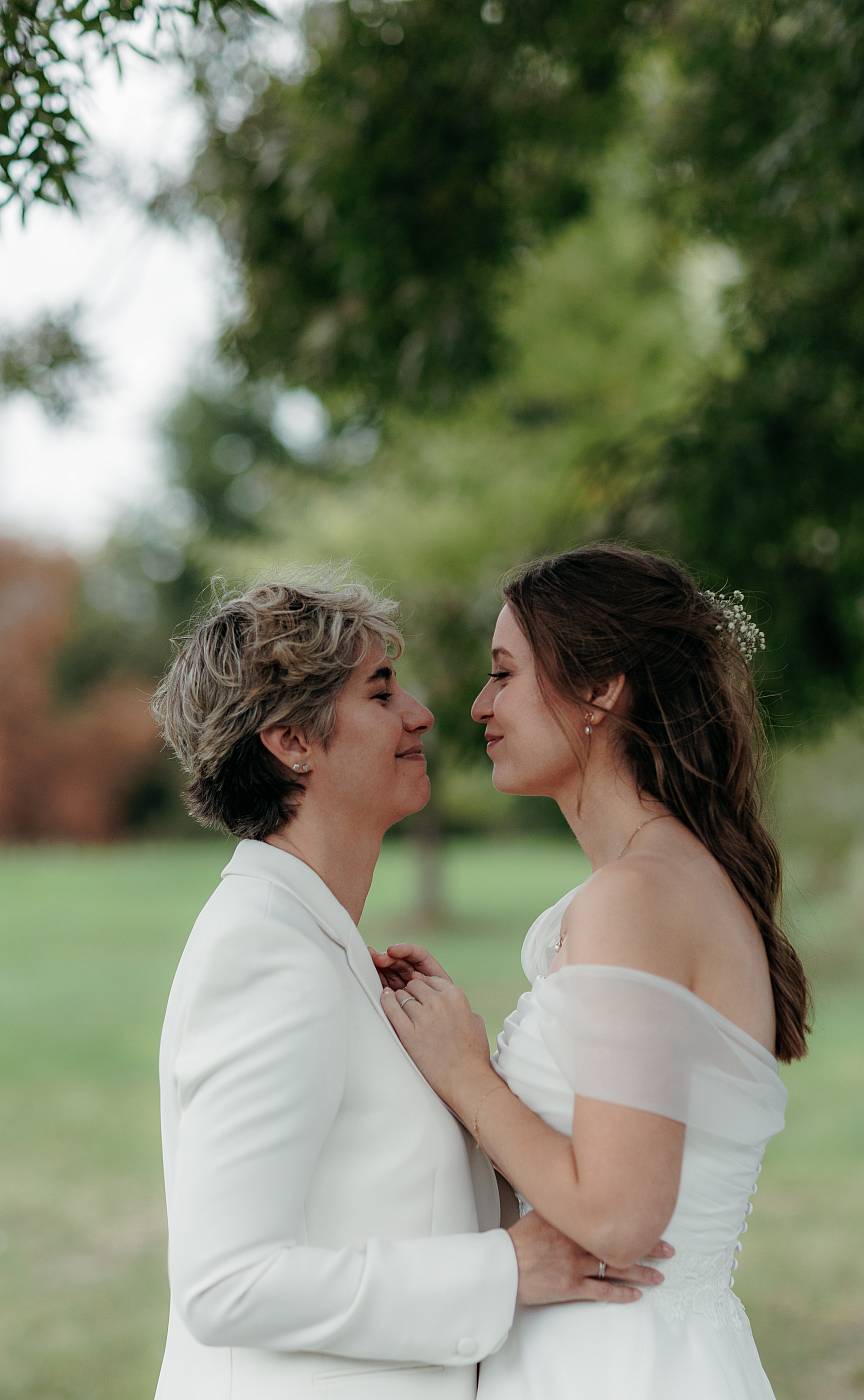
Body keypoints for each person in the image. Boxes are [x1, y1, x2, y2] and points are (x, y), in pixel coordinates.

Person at [149, 571, 672, 1400]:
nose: (423, 714)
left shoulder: (325, 948)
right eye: (381, 692)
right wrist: (503, 1270)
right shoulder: (265, 958)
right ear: (292, 742)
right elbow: (225, 1285)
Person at [372, 542, 811, 1400]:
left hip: (619, 1365)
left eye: (504, 673)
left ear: (600, 690)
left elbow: (619, 1216)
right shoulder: (662, 882)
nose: (477, 704)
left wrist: (465, 1070)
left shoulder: (637, 898)